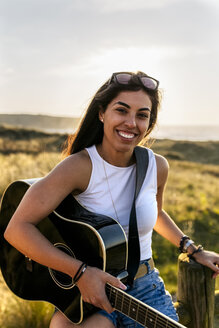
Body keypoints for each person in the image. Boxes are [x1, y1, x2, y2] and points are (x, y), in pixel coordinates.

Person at [4, 71, 219, 328]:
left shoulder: (156, 166)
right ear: (102, 113)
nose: (131, 122)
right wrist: (80, 272)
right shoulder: (79, 166)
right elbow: (17, 229)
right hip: (88, 287)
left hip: (144, 288)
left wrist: (192, 249)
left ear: (149, 124)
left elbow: (155, 214)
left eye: (141, 115)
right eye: (122, 110)